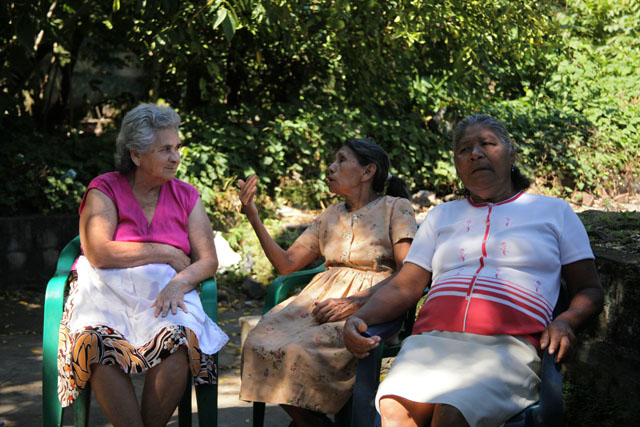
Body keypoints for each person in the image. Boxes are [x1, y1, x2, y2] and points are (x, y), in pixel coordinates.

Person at [344, 114, 604, 427]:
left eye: (487, 144)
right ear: (457, 165)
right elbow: (404, 287)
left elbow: (589, 288)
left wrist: (566, 321)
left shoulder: (555, 212)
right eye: (464, 149)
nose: (475, 154)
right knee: (394, 410)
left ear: (510, 154)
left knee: (451, 415)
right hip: (431, 343)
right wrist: (360, 317)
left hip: (507, 347)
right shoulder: (442, 215)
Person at [57, 104, 228, 427]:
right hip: (105, 293)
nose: (176, 157)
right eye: (165, 149)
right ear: (135, 155)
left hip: (165, 294)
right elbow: (99, 253)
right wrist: (164, 251)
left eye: (177, 147)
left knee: (179, 338)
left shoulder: (187, 196)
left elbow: (207, 260)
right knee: (95, 340)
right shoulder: (104, 188)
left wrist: (179, 282)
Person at [238, 138, 418, 427]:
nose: (331, 168)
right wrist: (254, 216)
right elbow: (286, 264)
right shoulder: (330, 215)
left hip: (374, 303)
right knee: (258, 342)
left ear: (367, 171)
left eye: (342, 160)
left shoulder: (396, 207)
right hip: (317, 302)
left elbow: (407, 270)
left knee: (299, 351)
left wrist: (356, 302)